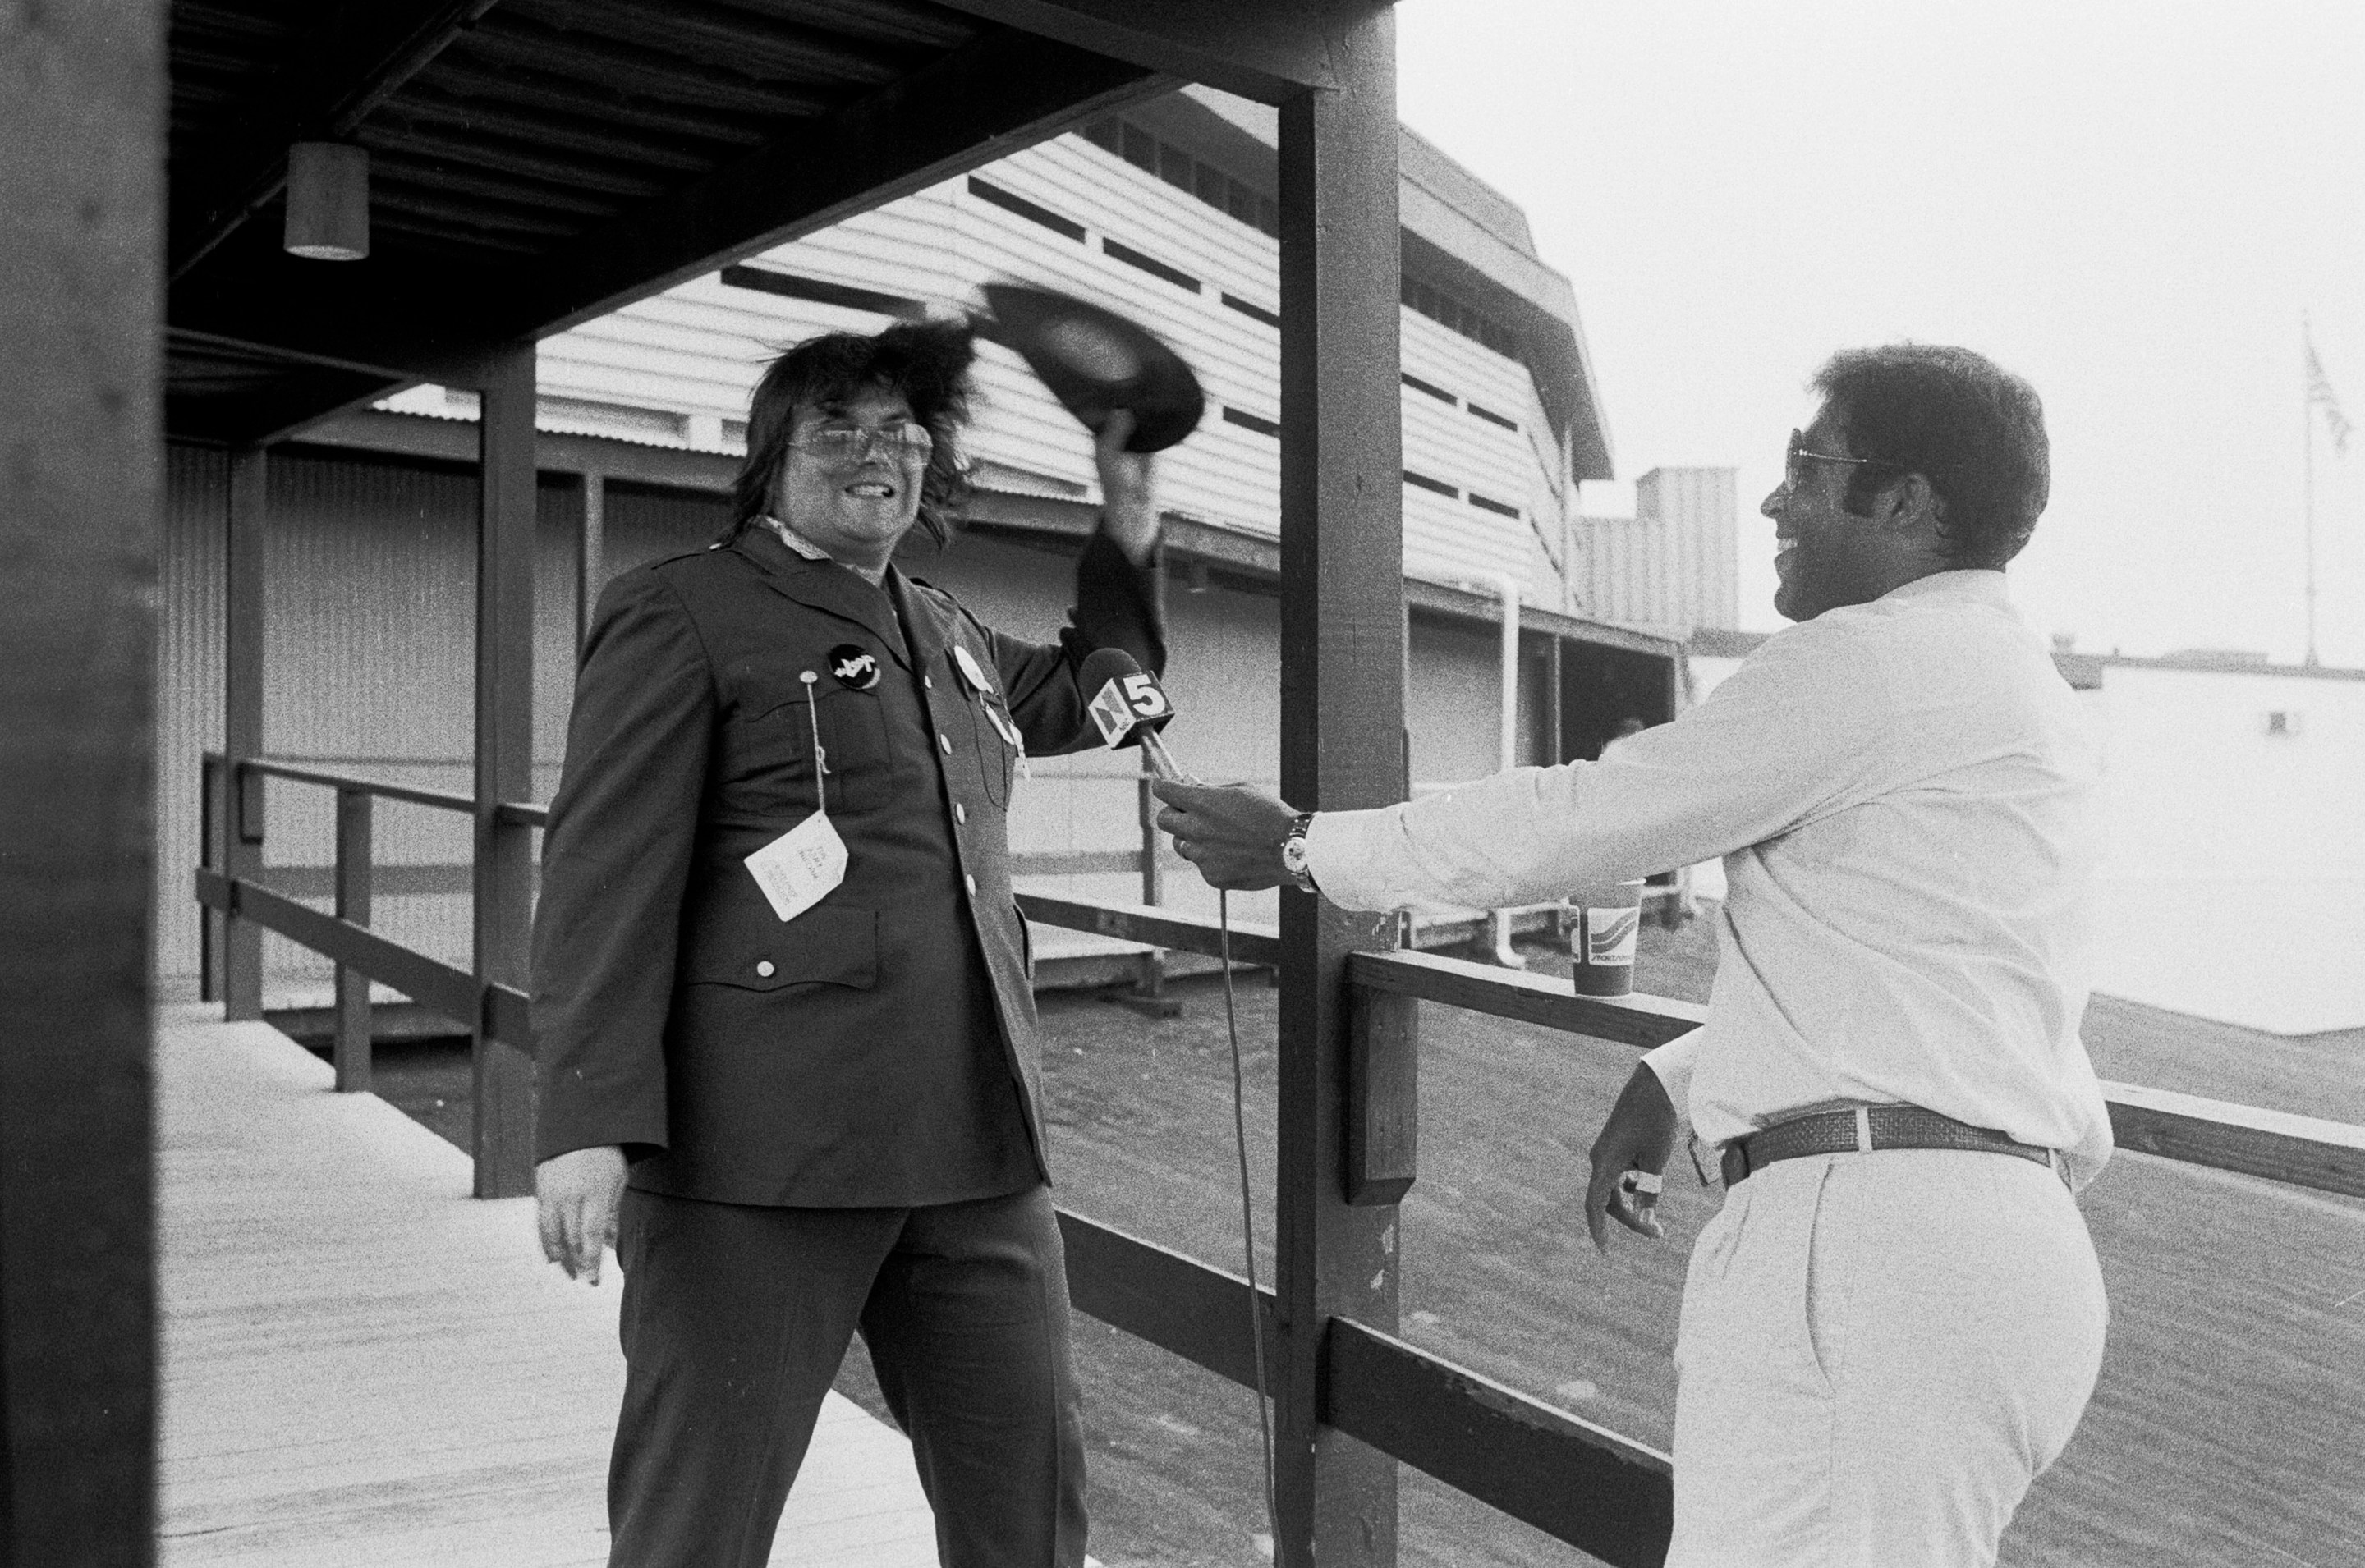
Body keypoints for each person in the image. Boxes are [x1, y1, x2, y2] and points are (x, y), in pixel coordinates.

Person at [1153, 344, 2111, 1567]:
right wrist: (1681, 1076)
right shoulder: (2019, 690)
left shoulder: (1868, 659)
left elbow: (1584, 817)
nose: (1774, 503)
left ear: (1908, 501)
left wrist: (1300, 846)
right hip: (1993, 1254)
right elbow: (1934, 977)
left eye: (1807, 470)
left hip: (1877, 1260)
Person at [530, 319, 1164, 1568]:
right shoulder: (685, 611)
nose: (878, 454)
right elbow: (604, 877)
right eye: (841, 428)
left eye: (905, 435)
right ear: (772, 455)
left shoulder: (947, 631)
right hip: (758, 1158)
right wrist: (586, 1120)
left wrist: (1127, 520)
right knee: (695, 1524)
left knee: (1030, 1510)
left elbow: (1104, 685)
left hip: (977, 1150)